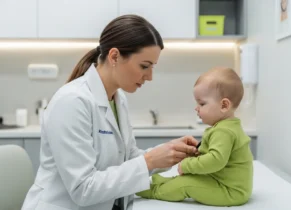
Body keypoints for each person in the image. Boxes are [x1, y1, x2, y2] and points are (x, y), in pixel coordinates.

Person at [21, 14, 199, 210]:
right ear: (114, 56)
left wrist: (168, 153)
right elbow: (83, 189)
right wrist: (149, 161)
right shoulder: (72, 101)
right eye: (144, 66)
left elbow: (129, 158)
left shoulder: (117, 97)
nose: (149, 76)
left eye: (152, 67)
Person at [136, 67, 254, 206]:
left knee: (186, 184)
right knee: (187, 178)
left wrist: (187, 165)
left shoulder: (224, 131)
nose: (196, 108)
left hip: (230, 191)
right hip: (223, 184)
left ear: (224, 105)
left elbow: (215, 161)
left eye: (202, 103)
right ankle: (162, 183)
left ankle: (154, 191)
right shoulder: (226, 127)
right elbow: (216, 158)